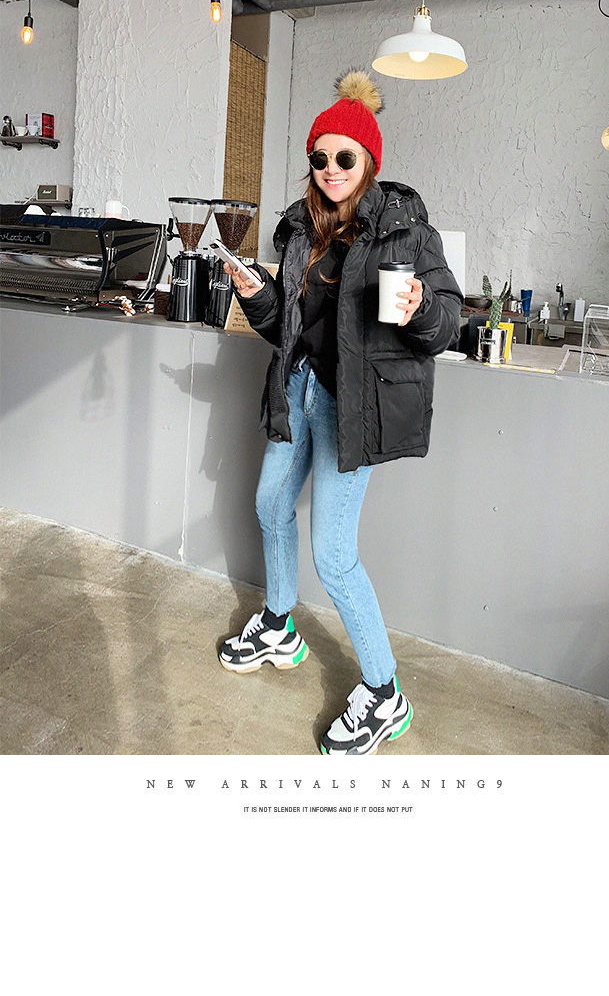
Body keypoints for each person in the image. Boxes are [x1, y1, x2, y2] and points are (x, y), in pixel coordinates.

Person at [219, 72, 461, 755]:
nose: (330, 169)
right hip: (298, 387)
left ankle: (384, 691)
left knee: (333, 553)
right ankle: (279, 625)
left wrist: (422, 308)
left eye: (344, 156)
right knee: (270, 505)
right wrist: (256, 293)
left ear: (369, 160)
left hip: (352, 405)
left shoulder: (407, 229)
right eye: (319, 157)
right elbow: (286, 327)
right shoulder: (300, 227)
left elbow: (448, 321)